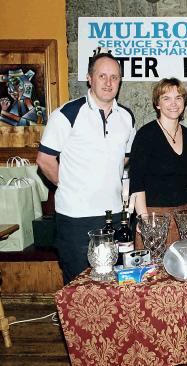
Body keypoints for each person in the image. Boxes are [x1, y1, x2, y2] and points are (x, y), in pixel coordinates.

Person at [36, 52, 136, 284]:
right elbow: (45, 160)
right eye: (102, 75)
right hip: (75, 218)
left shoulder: (127, 117)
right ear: (90, 78)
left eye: (114, 77)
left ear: (120, 81)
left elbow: (124, 158)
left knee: (114, 284)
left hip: (114, 215)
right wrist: (70, 185)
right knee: (78, 287)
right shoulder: (67, 114)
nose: (108, 82)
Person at [129, 78, 187, 248]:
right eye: (166, 98)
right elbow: (136, 182)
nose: (173, 103)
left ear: (184, 103)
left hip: (186, 215)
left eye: (178, 97)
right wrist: (144, 219)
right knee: (154, 273)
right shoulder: (146, 135)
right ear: (157, 104)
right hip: (155, 216)